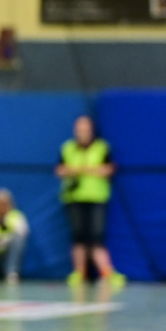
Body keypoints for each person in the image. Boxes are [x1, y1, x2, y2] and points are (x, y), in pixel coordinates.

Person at [56, 115, 126, 288]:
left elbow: (109, 169)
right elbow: (60, 169)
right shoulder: (68, 148)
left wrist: (88, 170)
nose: (82, 132)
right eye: (79, 129)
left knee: (96, 237)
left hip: (96, 198)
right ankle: (79, 272)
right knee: (78, 236)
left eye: (86, 128)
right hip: (74, 198)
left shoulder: (102, 147)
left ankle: (106, 272)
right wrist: (73, 171)